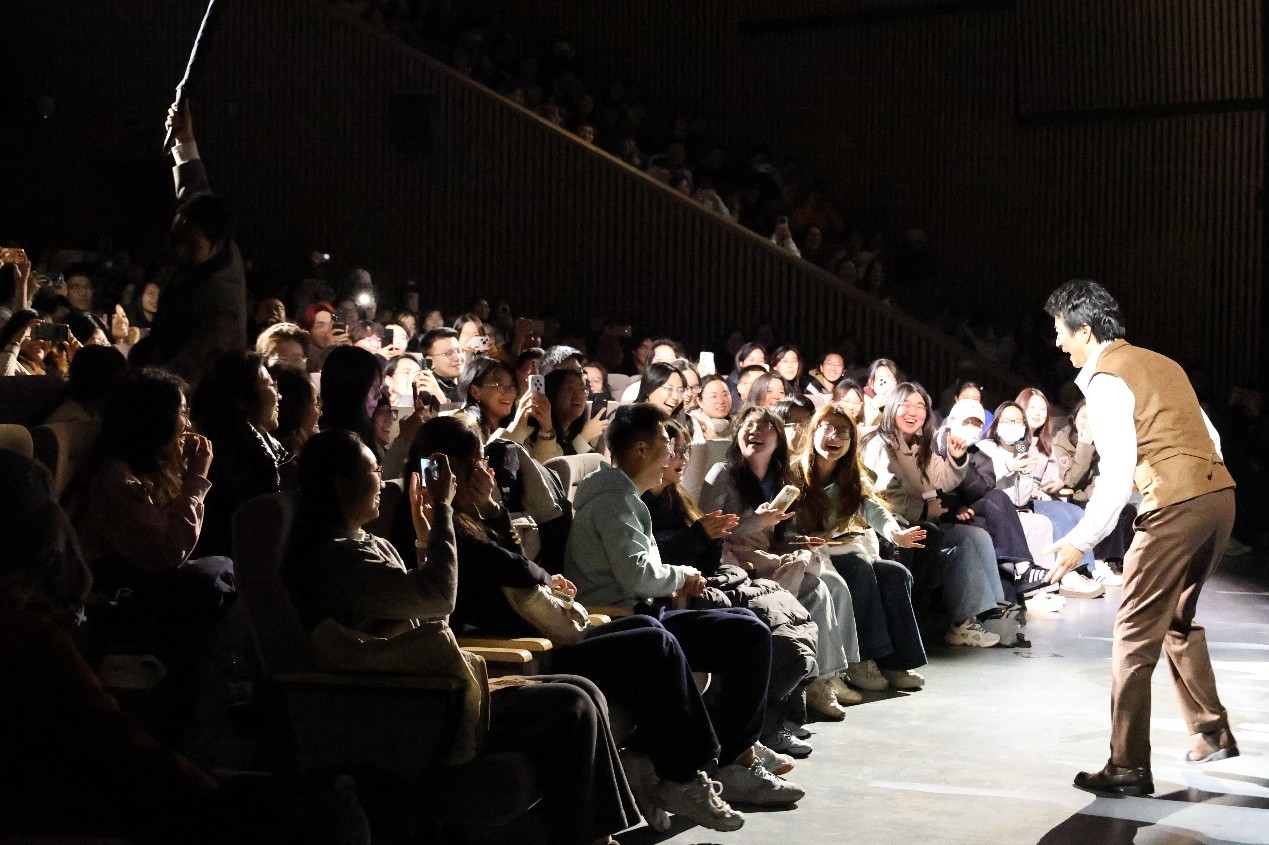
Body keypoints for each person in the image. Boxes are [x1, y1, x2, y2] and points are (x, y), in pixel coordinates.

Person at [394, 417, 756, 831]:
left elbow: (515, 562)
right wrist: (542, 578)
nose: (485, 470)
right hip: (522, 650)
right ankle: (683, 776)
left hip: (544, 629)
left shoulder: (471, 517)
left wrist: (494, 511)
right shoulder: (434, 524)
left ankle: (680, 773)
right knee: (652, 646)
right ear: (450, 470)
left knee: (654, 632)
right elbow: (512, 567)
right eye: (476, 461)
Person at [286, 430, 637, 845]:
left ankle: (596, 838)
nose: (382, 481)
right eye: (373, 471)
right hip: (409, 705)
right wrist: (443, 514)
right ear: (341, 485)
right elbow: (440, 597)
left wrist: (425, 539)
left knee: (584, 690)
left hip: (430, 687)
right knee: (573, 705)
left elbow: (434, 613)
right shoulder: (339, 559)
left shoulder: (368, 543)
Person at [1042, 280, 1238, 797]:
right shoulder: (1163, 364)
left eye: (1061, 331)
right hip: (1219, 497)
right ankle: (1212, 733)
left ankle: (1127, 765)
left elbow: (1116, 471)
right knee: (1176, 618)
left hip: (1176, 505)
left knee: (1133, 633)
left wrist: (1080, 540)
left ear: (1085, 330)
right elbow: (1211, 439)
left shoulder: (1107, 378)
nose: (1058, 342)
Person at [565, 404, 807, 799]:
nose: (673, 451)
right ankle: (735, 760)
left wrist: (685, 572)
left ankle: (739, 750)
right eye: (666, 441)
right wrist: (681, 576)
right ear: (641, 450)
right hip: (622, 621)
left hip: (646, 612)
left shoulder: (625, 497)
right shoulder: (613, 502)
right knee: (747, 635)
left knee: (748, 626)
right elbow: (637, 575)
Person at [699, 405, 863, 725]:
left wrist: (800, 542)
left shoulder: (781, 479)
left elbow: (776, 537)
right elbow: (706, 529)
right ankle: (816, 682)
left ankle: (824, 678)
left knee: (828, 583)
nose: (755, 432)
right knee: (815, 588)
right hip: (730, 559)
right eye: (748, 425)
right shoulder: (723, 473)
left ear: (778, 440)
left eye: (765, 427)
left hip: (763, 555)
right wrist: (756, 521)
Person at [787, 403, 929, 692]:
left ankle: (895, 662)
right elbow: (781, 527)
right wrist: (808, 538)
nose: (834, 437)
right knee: (858, 568)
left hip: (841, 548)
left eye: (843, 432)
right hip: (808, 553)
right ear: (814, 432)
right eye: (828, 428)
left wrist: (895, 533)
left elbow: (873, 508)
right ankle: (860, 659)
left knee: (895, 574)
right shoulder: (794, 473)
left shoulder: (850, 475)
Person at [860, 382, 1006, 647]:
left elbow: (944, 478)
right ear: (892, 408)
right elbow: (883, 497)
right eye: (906, 405)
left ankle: (983, 614)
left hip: (922, 522)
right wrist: (925, 509)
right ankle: (910, 628)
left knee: (972, 536)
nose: (913, 412)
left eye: (920, 406)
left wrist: (956, 457)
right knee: (937, 536)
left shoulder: (920, 445)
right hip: (891, 527)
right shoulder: (880, 444)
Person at [145, 102, 247, 387]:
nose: (179, 251)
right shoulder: (210, 238)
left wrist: (138, 382)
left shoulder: (219, 301)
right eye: (176, 239)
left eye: (190, 245)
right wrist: (183, 137)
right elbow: (194, 192)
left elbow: (187, 368)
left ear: (217, 244)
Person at [190, 351, 287, 558]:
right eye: (271, 385)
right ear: (241, 399)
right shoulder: (234, 456)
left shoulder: (263, 448)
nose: (279, 396)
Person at [1050, 401, 1132, 584]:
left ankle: (1113, 562)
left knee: (1126, 510)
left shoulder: (1104, 440)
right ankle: (1098, 562)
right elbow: (1069, 480)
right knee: (1102, 510)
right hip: (1071, 498)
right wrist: (1084, 446)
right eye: (1084, 416)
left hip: (1093, 496)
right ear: (1074, 418)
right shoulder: (1062, 440)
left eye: (1094, 417)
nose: (1088, 422)